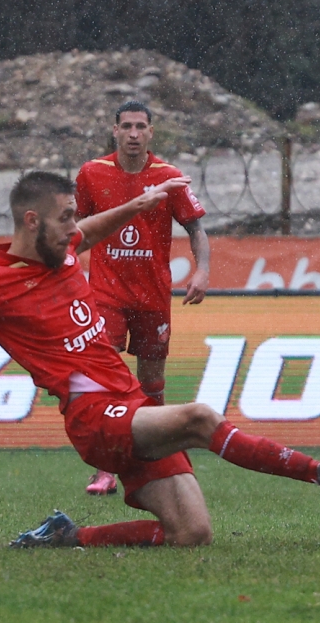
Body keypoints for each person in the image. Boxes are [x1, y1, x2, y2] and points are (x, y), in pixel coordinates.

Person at [0, 171, 320, 548]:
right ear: (31, 221)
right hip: (95, 418)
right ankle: (318, 471)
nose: (74, 229)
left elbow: (93, 229)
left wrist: (140, 205)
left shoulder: (61, 251)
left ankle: (69, 536)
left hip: (132, 407)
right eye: (65, 218)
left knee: (191, 534)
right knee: (200, 418)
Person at [76, 100, 210, 496]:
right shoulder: (91, 173)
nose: (133, 134)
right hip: (106, 294)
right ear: (114, 131)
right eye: (127, 127)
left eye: (141, 127)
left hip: (153, 297)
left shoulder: (168, 177)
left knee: (152, 384)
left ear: (152, 132)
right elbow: (77, 228)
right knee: (104, 381)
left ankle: (158, 461)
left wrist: (202, 271)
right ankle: (105, 469)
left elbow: (196, 229)